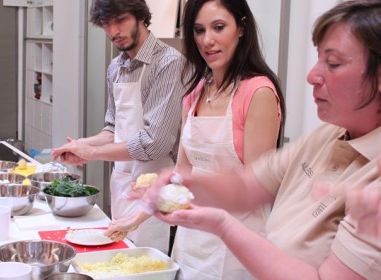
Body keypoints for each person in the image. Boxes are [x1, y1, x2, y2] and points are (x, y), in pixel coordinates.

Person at [137, 1, 381, 279]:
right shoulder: (327, 135)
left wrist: (222, 225)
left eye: (333, 63)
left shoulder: (258, 91)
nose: (311, 76)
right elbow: (245, 186)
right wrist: (173, 186)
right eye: (199, 30)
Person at [106, 0, 284, 279]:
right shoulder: (196, 91)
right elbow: (183, 173)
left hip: (237, 244)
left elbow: (253, 189)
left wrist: (186, 189)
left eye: (219, 27)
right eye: (199, 30)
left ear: (241, 28)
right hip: (191, 240)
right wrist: (139, 214)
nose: (207, 40)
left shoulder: (257, 92)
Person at [51, 0, 187, 254]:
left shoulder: (168, 63)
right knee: (120, 255)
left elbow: (155, 143)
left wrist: (93, 153)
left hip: (156, 185)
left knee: (148, 262)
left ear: (140, 16)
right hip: (123, 182)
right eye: (106, 24)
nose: (113, 31)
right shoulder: (116, 68)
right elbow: (113, 128)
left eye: (120, 20)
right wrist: (82, 145)